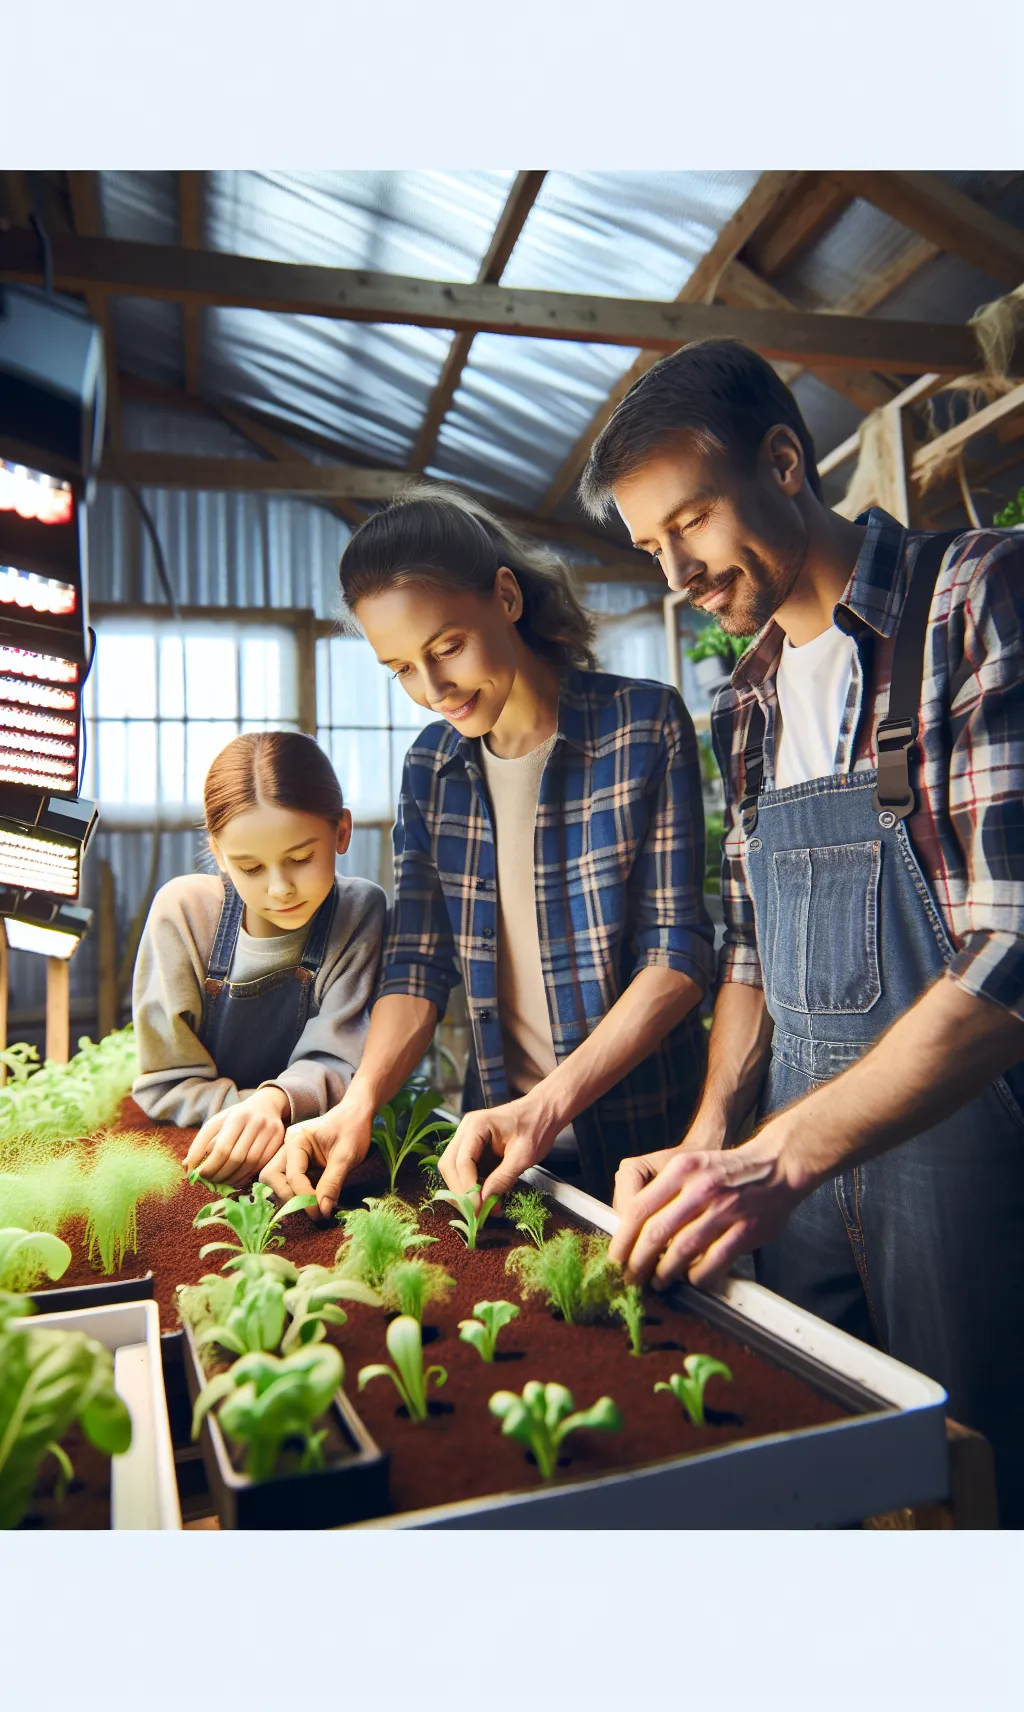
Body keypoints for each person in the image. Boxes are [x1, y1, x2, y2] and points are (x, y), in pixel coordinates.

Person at [584, 337, 1024, 1523]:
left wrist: (777, 1158)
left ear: (784, 461)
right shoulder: (746, 695)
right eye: (648, 547)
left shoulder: (974, 598)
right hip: (800, 1182)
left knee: (983, 1478)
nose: (676, 569)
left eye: (692, 522)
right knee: (843, 1486)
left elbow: (1010, 951)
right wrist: (713, 1132)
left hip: (967, 1168)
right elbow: (753, 948)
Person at [260, 485, 714, 1214]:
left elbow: (677, 957)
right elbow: (417, 966)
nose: (433, 687)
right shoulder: (430, 770)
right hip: (496, 1146)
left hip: (645, 1140)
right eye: (402, 668)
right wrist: (359, 1103)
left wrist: (548, 1106)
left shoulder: (642, 724)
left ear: (505, 597)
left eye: (447, 648)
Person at [131, 730, 386, 1185]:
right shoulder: (184, 914)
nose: (279, 888)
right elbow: (167, 1082)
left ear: (342, 831)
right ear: (218, 854)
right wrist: (253, 1119)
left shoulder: (359, 911)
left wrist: (275, 1106)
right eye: (250, 867)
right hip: (202, 1146)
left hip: (319, 1139)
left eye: (301, 857)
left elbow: (341, 1058)